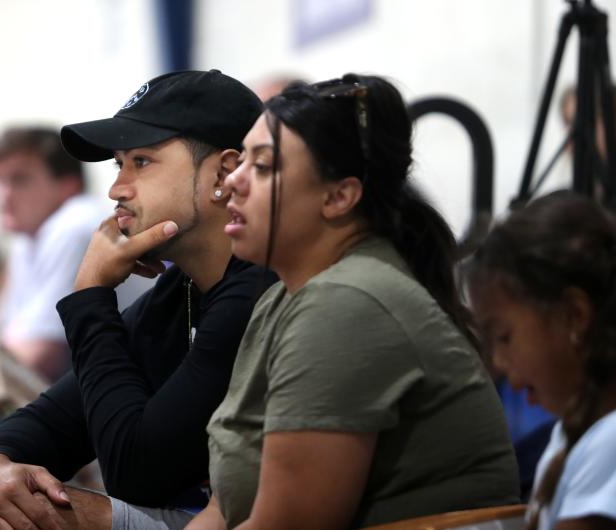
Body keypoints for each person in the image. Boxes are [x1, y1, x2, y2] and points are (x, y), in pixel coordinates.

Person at [192, 75, 520, 529]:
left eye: (263, 167)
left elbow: (289, 526)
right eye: (242, 159)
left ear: (339, 196)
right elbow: (221, 509)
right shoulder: (282, 300)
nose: (233, 181)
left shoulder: (346, 304)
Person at [0, 69, 272, 530]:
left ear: (225, 173)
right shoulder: (181, 290)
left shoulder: (258, 290)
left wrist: (91, 296)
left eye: (142, 162)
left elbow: (135, 472)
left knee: (38, 516)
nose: (117, 188)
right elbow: (51, 421)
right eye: (118, 164)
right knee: (10, 501)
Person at [465, 191, 616, 530]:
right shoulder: (571, 430)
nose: (500, 362)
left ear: (575, 315)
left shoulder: (610, 441)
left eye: (504, 337)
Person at [0, 126, 151, 383]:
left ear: (68, 186)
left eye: (19, 180)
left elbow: (35, 360)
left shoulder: (74, 225)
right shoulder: (28, 237)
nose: (2, 196)